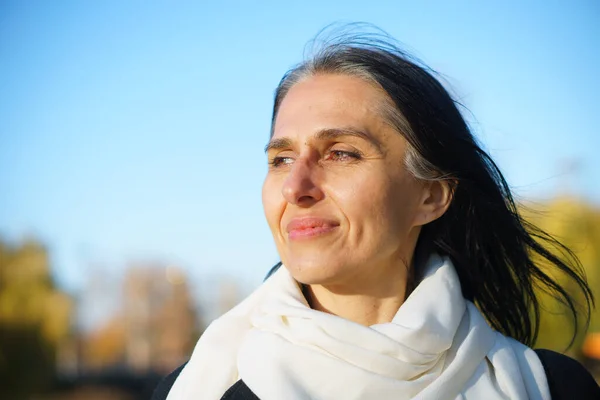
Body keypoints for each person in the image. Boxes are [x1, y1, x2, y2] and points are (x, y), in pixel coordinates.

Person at [153, 26, 600, 400]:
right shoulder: (201, 386)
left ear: (431, 196)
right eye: (281, 159)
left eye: (341, 153)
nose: (295, 186)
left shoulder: (551, 388)